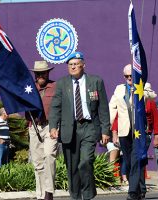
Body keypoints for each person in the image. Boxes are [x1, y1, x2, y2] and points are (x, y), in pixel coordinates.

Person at [49, 52, 110, 200]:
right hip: (70, 129)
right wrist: (53, 126)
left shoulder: (95, 82)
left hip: (89, 127)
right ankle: (75, 196)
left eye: (76, 64)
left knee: (85, 161)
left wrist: (105, 130)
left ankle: (88, 195)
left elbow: (103, 108)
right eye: (70, 65)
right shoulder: (62, 83)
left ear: (83, 65)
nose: (73, 67)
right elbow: (55, 107)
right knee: (72, 166)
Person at [108, 65, 158, 200]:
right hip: (124, 132)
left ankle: (132, 192)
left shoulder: (142, 86)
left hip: (138, 132)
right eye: (127, 76)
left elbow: (152, 96)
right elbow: (112, 107)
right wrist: (107, 127)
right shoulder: (119, 89)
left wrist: (141, 89)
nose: (130, 78)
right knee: (129, 161)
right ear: (124, 77)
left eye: (132, 75)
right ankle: (136, 190)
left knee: (136, 159)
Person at [28, 60, 57, 200]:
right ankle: (40, 195)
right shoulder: (28, 89)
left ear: (48, 73)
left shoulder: (55, 87)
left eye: (43, 73)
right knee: (38, 162)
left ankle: (49, 193)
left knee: (49, 155)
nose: (41, 75)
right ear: (35, 74)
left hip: (50, 127)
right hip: (34, 127)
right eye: (38, 73)